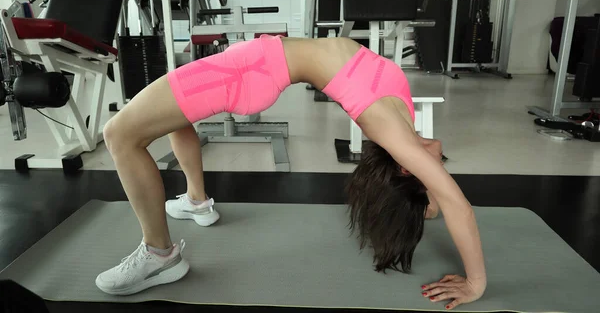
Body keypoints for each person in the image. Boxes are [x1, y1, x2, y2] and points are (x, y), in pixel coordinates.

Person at [95, 35, 486, 310]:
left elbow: (459, 207)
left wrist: (475, 284)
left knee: (120, 135)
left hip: (247, 72)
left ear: (406, 167)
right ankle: (197, 201)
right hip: (256, 64)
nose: (436, 157)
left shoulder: (391, 127)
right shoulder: (405, 124)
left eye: (428, 168)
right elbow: (433, 187)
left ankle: (159, 255)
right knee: (172, 113)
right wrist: (425, 202)